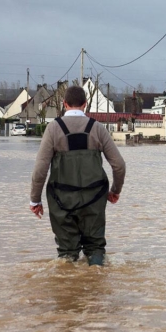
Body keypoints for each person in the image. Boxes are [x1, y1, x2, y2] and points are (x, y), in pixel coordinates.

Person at [29, 85, 126, 266]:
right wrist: (115, 190)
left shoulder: (53, 129)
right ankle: (95, 286)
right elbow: (119, 165)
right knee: (95, 247)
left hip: (61, 202)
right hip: (94, 200)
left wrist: (35, 200)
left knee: (67, 253)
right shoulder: (98, 128)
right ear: (85, 104)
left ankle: (68, 289)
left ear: (64, 104)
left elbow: (40, 169)